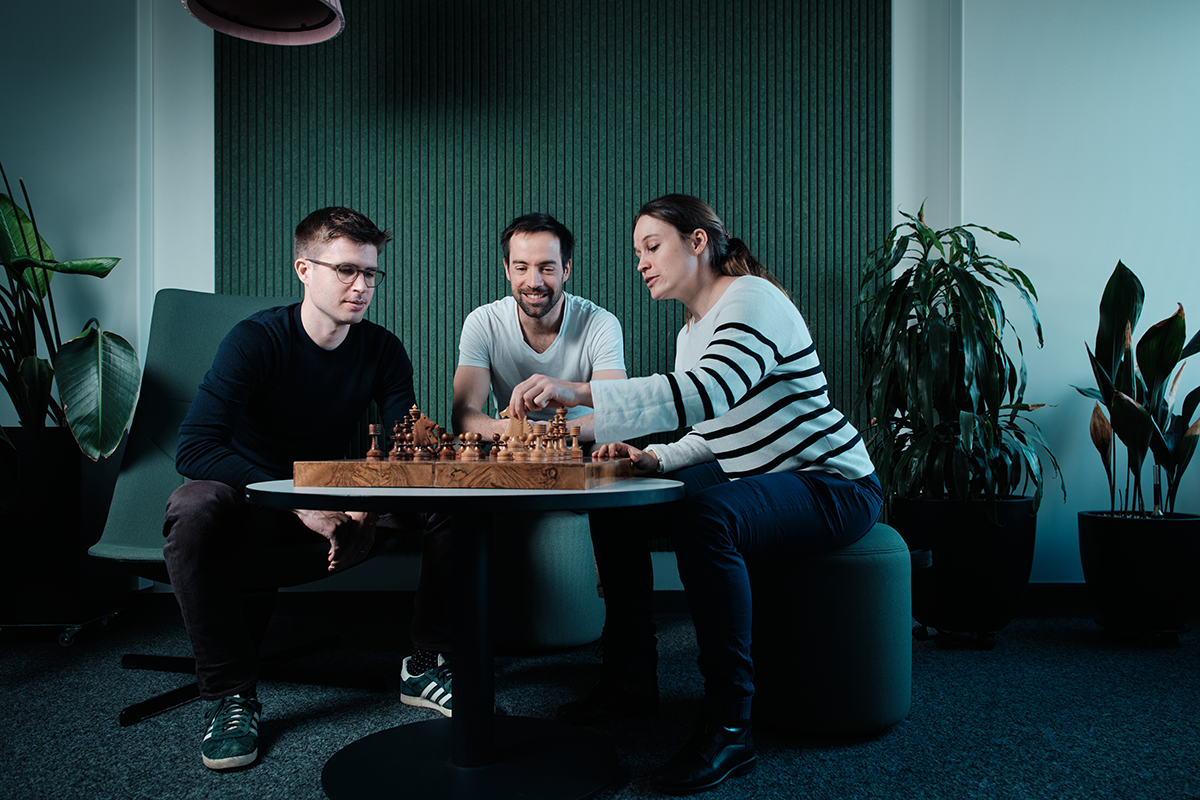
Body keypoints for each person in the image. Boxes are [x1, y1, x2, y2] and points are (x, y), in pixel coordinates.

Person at [509, 194, 882, 795]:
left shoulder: (752, 299)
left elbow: (709, 392)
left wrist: (577, 391)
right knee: (624, 497)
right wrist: (653, 458)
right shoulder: (692, 331)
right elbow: (714, 429)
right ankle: (630, 677)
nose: (641, 262)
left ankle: (730, 725)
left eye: (652, 247)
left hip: (831, 482)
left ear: (698, 242)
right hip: (752, 472)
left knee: (706, 520)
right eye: (637, 253)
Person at [165, 207, 415, 771]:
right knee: (193, 504)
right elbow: (195, 448)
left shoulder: (382, 349)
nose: (362, 286)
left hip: (336, 502)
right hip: (255, 504)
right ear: (304, 269)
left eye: (371, 273)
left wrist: (365, 510)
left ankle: (428, 661)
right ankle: (231, 695)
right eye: (346, 270)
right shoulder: (254, 340)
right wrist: (299, 503)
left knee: (447, 501)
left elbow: (403, 450)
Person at [400, 212, 626, 714]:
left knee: (623, 473)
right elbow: (465, 415)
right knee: (449, 500)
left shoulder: (599, 322)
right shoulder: (483, 321)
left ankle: (627, 658)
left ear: (567, 269)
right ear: (506, 269)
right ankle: (430, 655)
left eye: (546, 267)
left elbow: (617, 411)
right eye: (521, 267)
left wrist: (557, 431)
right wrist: (523, 433)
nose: (534, 281)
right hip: (510, 449)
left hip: (582, 451)